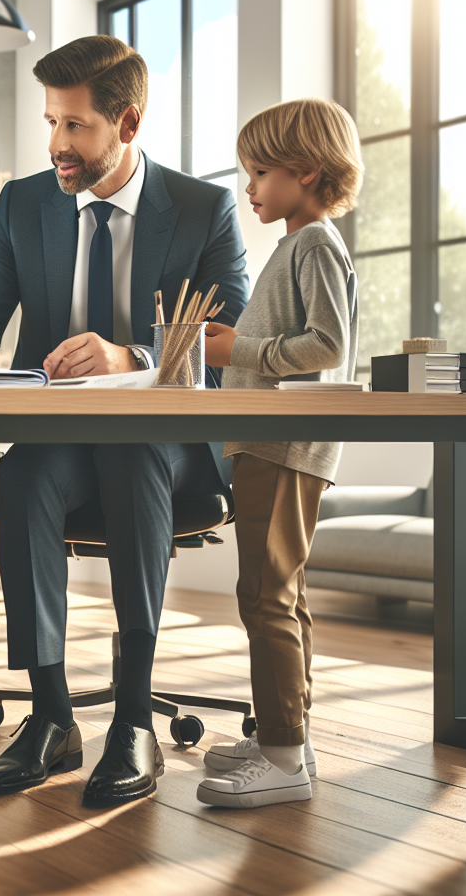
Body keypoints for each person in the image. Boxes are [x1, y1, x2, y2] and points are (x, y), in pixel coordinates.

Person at [0, 35, 249, 806]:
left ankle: (133, 720)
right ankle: (51, 714)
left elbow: (229, 345)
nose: (56, 143)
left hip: (170, 444)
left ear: (128, 121)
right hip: (63, 440)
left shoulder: (201, 208)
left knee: (136, 454)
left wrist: (129, 356)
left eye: (75, 125)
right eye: (50, 121)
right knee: (22, 478)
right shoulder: (24, 202)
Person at [195, 98, 362, 809]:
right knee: (277, 594)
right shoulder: (297, 245)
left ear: (308, 172)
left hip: (285, 443)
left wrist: (238, 348)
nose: (250, 188)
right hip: (270, 442)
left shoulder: (315, 245)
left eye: (260, 172)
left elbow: (328, 348)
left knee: (266, 596)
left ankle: (285, 756)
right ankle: (286, 736)